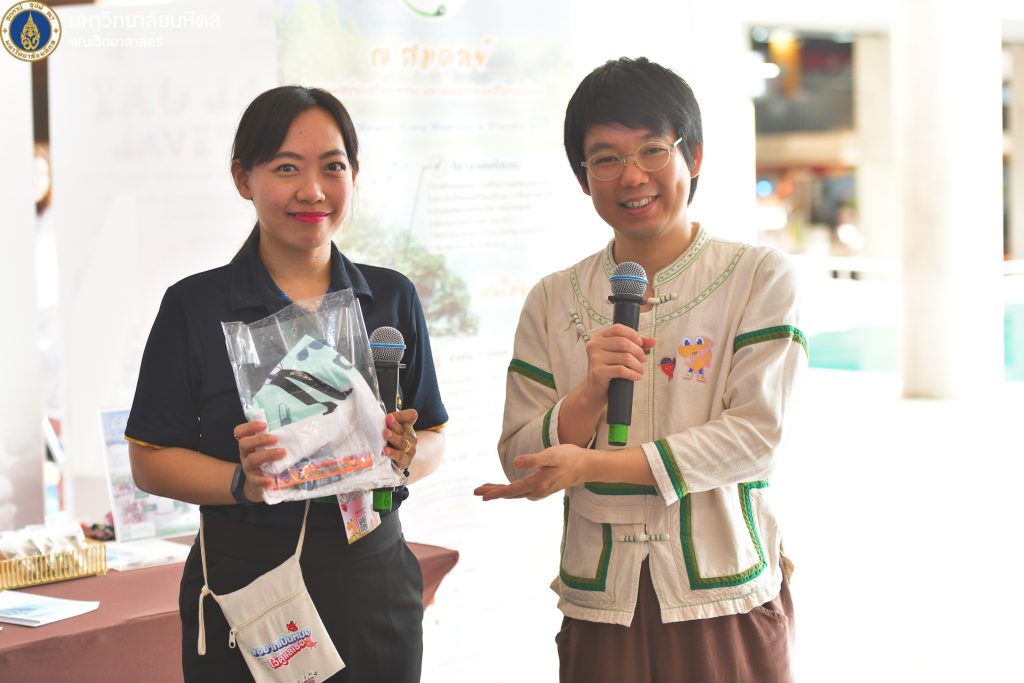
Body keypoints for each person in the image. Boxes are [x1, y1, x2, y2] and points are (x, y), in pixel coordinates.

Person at [475, 57, 804, 682]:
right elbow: (521, 460)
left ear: (694, 156)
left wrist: (592, 466)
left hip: (722, 597)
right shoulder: (553, 299)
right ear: (582, 178)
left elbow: (756, 438)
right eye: (605, 158)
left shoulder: (757, 276)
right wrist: (589, 394)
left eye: (653, 149)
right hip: (603, 603)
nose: (631, 176)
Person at [125, 86, 447, 682]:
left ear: (354, 174)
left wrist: (405, 454)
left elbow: (432, 434)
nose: (313, 190)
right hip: (250, 590)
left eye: (333, 167)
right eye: (286, 168)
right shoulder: (195, 307)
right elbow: (149, 460)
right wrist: (242, 482)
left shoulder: (390, 297)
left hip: (372, 582)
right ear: (242, 179)